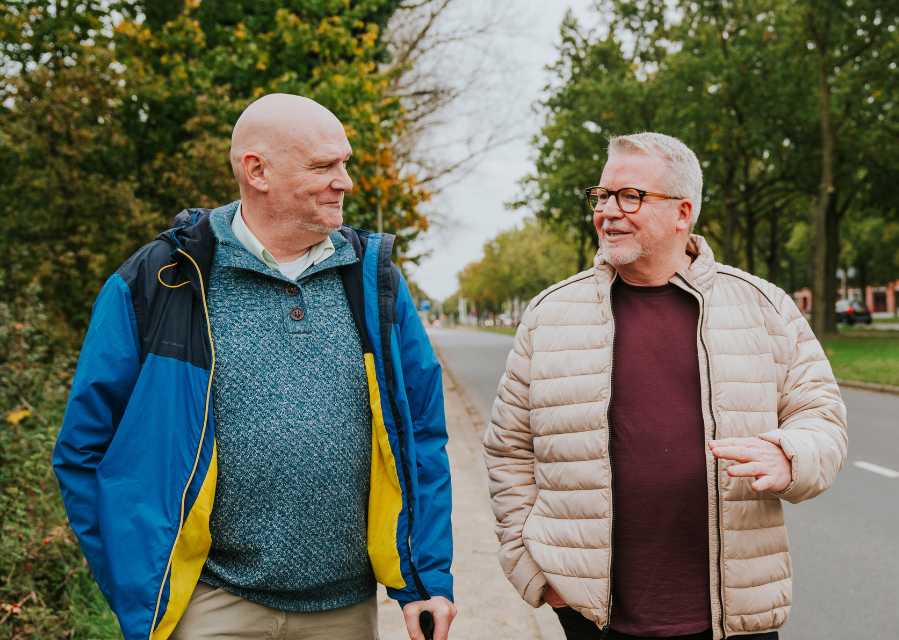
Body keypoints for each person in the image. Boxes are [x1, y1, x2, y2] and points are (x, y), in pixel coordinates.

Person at [53, 93, 456, 640]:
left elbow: (421, 436)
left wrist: (425, 578)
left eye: (345, 163)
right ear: (256, 170)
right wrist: (133, 579)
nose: (346, 181)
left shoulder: (372, 281)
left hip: (344, 610)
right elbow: (82, 449)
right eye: (324, 166)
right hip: (210, 605)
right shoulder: (160, 280)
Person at [483, 132, 847, 640]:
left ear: (682, 212)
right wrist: (534, 567)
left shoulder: (762, 307)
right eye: (602, 195)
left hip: (735, 611)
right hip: (592, 615)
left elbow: (822, 415)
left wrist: (793, 454)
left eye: (629, 196)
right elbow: (509, 449)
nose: (608, 210)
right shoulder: (550, 315)